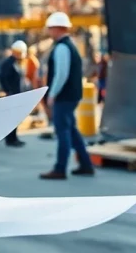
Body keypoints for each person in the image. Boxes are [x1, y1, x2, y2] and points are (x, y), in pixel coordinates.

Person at [39, 12, 95, 180]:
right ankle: (86, 164)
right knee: (71, 130)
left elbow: (61, 74)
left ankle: (60, 168)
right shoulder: (70, 45)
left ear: (57, 28)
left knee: (62, 131)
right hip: (72, 95)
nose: (49, 32)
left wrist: (52, 94)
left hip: (64, 96)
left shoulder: (62, 47)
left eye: (50, 28)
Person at [0, 41, 27, 147]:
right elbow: (2, 77)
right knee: (11, 119)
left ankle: (14, 138)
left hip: (16, 94)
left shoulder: (16, 63)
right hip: (12, 95)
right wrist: (8, 91)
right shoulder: (8, 63)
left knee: (15, 118)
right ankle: (10, 140)